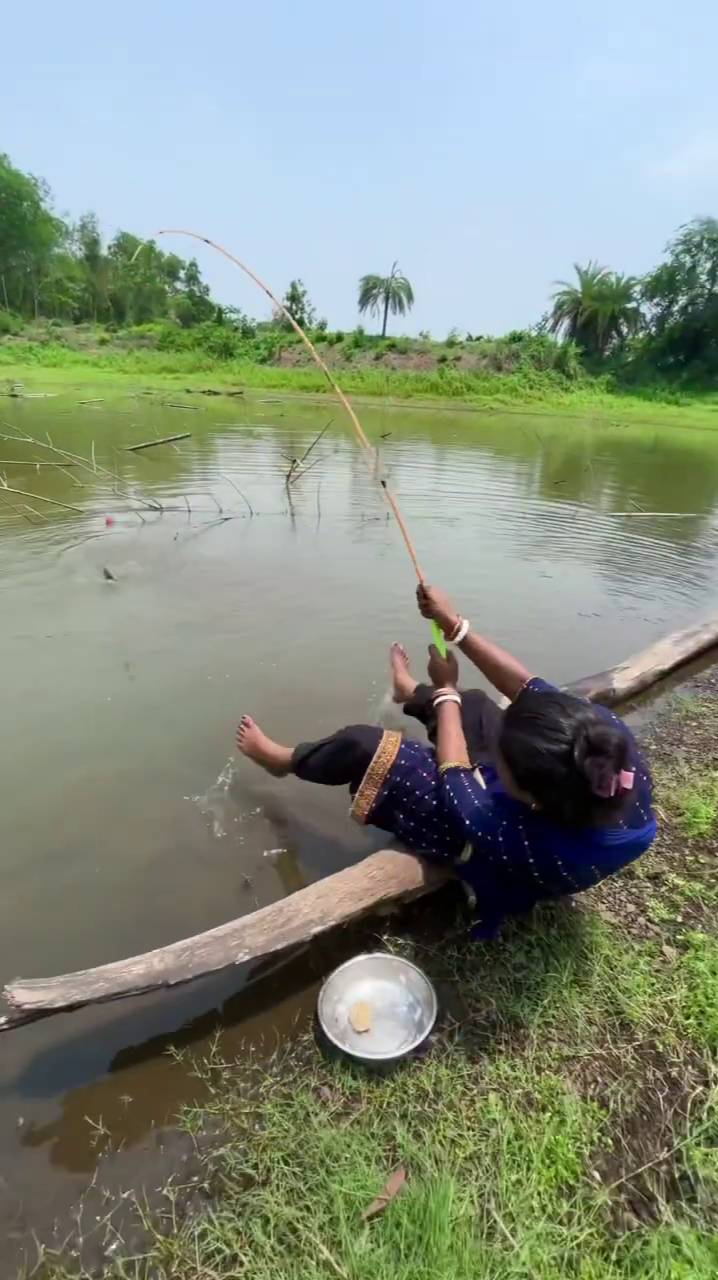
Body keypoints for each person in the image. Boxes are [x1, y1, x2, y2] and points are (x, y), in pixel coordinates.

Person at [236, 584, 656, 936]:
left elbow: (455, 776)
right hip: (536, 812)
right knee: (474, 705)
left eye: (502, 760)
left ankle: (285, 761)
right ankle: (410, 693)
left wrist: (446, 689)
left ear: (529, 800)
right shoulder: (603, 742)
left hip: (484, 846)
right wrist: (455, 626)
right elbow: (526, 685)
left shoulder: (512, 831)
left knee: (365, 745)